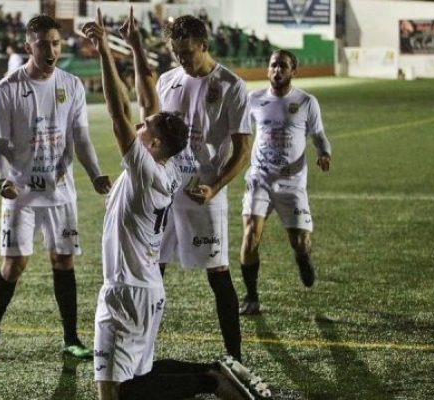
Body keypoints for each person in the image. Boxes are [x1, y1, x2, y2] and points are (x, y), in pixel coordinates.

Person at [82, 9, 269, 400]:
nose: (141, 123)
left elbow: (119, 113)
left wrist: (103, 50)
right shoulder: (162, 167)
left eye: (146, 127)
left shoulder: (147, 169)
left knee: (116, 392)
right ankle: (213, 373)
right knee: (135, 381)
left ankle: (215, 376)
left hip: (127, 290)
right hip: (145, 286)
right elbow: (148, 97)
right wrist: (133, 45)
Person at [0, 15, 112, 363]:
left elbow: (80, 136)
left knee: (63, 260)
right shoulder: (6, 89)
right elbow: (0, 146)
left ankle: (71, 338)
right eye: (42, 44)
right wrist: (2, 178)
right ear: (28, 47)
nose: (51, 50)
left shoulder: (72, 85)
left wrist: (95, 174)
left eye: (55, 43)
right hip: (20, 193)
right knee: (14, 264)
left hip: (61, 191)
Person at [156, 15, 252, 362]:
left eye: (187, 53)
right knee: (154, 268)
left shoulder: (231, 86)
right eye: (176, 53)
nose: (181, 60)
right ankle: (141, 350)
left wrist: (214, 186)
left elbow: (243, 152)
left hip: (204, 194)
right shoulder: (167, 81)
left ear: (204, 45)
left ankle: (235, 358)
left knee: (218, 272)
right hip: (165, 194)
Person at [238, 49, 331, 315]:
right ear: (268, 70)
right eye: (273, 65)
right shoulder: (253, 99)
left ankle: (303, 259)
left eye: (283, 66)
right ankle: (252, 297)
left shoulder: (306, 102)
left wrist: (324, 152)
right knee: (250, 235)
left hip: (292, 181)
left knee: (300, 243)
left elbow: (319, 135)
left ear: (293, 71)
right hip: (260, 177)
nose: (277, 70)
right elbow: (242, 136)